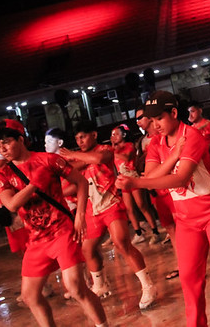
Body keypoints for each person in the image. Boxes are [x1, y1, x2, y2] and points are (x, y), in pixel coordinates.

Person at [117, 91, 210, 327]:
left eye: (158, 119)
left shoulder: (192, 136)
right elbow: (152, 175)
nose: (154, 125)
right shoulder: (156, 143)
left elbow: (179, 179)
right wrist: (173, 155)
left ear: (174, 113)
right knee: (190, 280)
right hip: (186, 219)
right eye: (150, 121)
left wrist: (139, 182)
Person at [0, 119, 108, 326]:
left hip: (62, 231)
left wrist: (80, 215)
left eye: (7, 142)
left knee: (75, 287)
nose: (3, 149)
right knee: (29, 296)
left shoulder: (48, 160)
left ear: (21, 139)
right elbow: (11, 205)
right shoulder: (3, 175)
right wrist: (35, 184)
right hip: (36, 239)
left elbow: (81, 182)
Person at [58, 120, 157, 310]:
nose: (80, 141)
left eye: (83, 137)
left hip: (111, 204)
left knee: (121, 243)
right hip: (91, 210)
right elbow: (73, 182)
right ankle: (100, 285)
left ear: (94, 135)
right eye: (77, 138)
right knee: (87, 249)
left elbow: (96, 160)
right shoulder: (79, 159)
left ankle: (148, 285)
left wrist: (71, 156)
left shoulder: (104, 150)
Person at [139, 106, 181, 281]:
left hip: (174, 190)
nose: (140, 121)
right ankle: (182, 264)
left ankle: (188, 264)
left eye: (141, 117)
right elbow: (149, 174)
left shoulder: (170, 136)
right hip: (159, 191)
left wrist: (152, 175)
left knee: (182, 227)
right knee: (171, 228)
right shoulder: (149, 142)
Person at [109, 124, 161, 245]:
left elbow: (126, 158)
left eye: (116, 134)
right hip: (123, 180)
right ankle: (138, 233)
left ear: (124, 135)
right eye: (112, 135)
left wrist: (112, 151)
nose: (114, 137)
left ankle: (155, 231)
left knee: (142, 205)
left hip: (133, 179)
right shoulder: (113, 150)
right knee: (129, 209)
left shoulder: (129, 145)